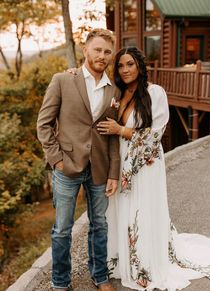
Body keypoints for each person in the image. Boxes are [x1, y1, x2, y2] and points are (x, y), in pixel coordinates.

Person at [96, 47, 210, 291]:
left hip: (146, 163)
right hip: (122, 163)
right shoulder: (117, 94)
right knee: (123, 211)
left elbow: (157, 133)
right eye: (120, 65)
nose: (125, 70)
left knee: (142, 209)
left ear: (139, 65)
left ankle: (146, 264)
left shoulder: (154, 92)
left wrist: (122, 131)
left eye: (130, 64)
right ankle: (123, 260)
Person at [37, 28, 120, 291]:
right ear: (85, 50)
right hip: (67, 167)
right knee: (62, 228)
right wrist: (56, 160)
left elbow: (113, 135)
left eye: (107, 51)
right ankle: (60, 281)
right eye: (97, 49)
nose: (102, 55)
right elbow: (44, 124)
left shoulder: (115, 89)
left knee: (100, 225)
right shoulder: (63, 80)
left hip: (100, 167)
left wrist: (114, 172)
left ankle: (100, 275)